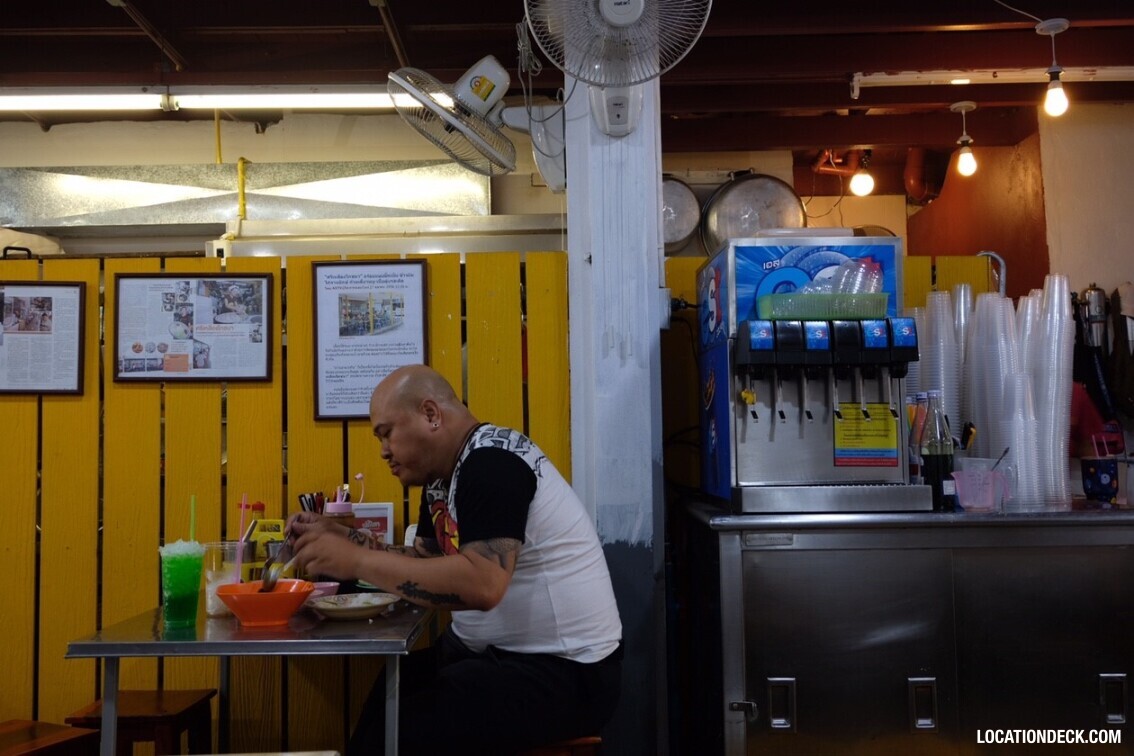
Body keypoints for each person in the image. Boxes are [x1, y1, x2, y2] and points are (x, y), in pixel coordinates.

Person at [289, 364, 623, 755]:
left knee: (401, 729)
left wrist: (357, 562)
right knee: (393, 689)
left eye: (387, 433)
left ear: (430, 414)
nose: (382, 450)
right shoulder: (441, 478)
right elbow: (424, 562)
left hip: (565, 673)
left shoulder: (492, 465)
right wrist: (348, 539)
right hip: (496, 658)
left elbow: (484, 584)